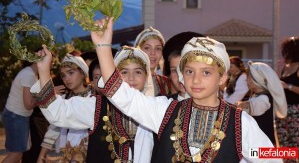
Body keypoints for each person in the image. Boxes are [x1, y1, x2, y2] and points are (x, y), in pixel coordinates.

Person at [91, 17, 281, 162]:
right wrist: (103, 47)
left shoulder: (240, 123)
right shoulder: (166, 111)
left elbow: (270, 156)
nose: (196, 79)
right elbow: (122, 95)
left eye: (206, 72)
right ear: (182, 75)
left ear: (222, 77)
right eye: (189, 71)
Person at [31, 46, 155, 162]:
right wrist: (43, 70)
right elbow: (58, 112)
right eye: (124, 72)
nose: (131, 78)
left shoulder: (156, 108)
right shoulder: (98, 106)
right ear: (115, 76)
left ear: (147, 76)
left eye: (138, 72)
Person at [36, 54, 91, 163]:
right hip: (71, 155)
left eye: (71, 73)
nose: (67, 79)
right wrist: (41, 156)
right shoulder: (65, 99)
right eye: (63, 75)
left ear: (83, 72)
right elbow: (54, 128)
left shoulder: (94, 97)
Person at [236, 61, 287, 145]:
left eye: (248, 77)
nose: (245, 79)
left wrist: (242, 105)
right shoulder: (257, 96)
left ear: (255, 79)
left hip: (263, 144)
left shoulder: (264, 98)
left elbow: (256, 107)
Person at [1, 61, 38, 163]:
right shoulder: (29, 75)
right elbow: (28, 105)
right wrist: (46, 96)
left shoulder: (29, 73)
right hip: (16, 117)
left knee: (14, 153)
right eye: (50, 62)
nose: (51, 65)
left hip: (14, 116)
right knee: (17, 154)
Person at [276, 36, 299, 162]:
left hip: (296, 112)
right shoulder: (285, 68)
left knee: (297, 145)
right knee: (285, 147)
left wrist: (288, 86)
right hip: (282, 111)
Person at [162, 31, 204, 98]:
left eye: (188, 71)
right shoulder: (162, 104)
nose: (180, 76)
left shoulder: (221, 107)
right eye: (174, 71)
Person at [134, 26, 172, 96]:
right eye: (147, 48)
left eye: (158, 48)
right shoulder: (128, 80)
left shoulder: (166, 83)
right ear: (138, 50)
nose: (153, 53)